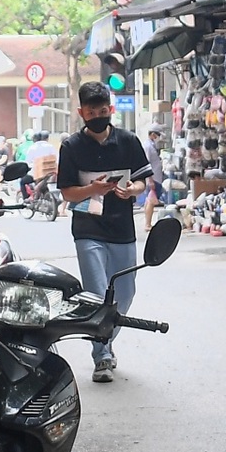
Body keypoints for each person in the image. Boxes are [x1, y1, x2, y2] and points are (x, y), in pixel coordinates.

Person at [58, 82, 152, 382]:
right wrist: (92, 189)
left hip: (122, 227)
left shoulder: (128, 141)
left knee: (125, 292)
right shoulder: (71, 147)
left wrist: (131, 190)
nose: (98, 115)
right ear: (81, 113)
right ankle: (102, 356)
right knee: (97, 294)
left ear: (110, 110)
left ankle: (106, 339)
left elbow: (143, 182)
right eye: (91, 111)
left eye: (102, 110)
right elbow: (68, 194)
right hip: (88, 229)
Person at [141, 126, 167, 227]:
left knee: (149, 200)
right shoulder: (147, 146)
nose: (158, 137)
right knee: (151, 201)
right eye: (158, 135)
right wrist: (150, 179)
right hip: (153, 178)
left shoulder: (151, 145)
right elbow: (146, 163)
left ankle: (147, 223)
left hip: (155, 177)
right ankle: (148, 224)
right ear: (152, 134)